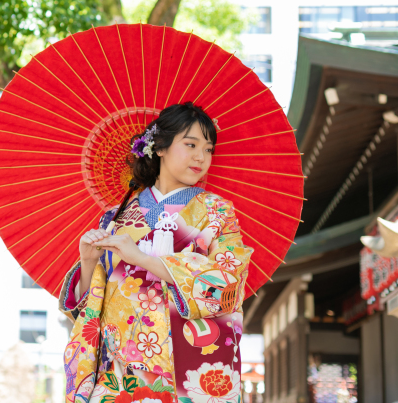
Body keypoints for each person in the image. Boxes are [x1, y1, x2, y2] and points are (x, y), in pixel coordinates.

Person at [59, 102, 253, 403]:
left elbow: (228, 282)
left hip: (184, 366)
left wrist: (143, 260)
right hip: (119, 368)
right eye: (190, 145)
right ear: (159, 147)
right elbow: (90, 306)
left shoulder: (217, 212)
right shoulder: (116, 216)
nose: (201, 157)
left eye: (208, 149)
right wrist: (88, 262)